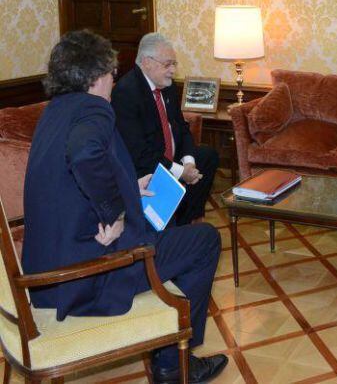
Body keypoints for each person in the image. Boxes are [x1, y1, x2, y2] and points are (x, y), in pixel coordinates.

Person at [22, 30, 227, 383]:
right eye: (112, 74)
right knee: (204, 240)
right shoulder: (94, 110)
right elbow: (85, 155)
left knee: (164, 231)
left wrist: (129, 187)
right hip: (87, 274)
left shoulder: (55, 112)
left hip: (46, 271)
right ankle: (173, 365)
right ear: (98, 76)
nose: (113, 82)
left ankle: (165, 340)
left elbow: (70, 176)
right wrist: (115, 212)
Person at [111, 32, 218, 225]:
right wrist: (180, 172)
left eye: (174, 64)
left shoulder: (167, 86)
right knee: (172, 173)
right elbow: (140, 153)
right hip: (145, 167)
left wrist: (189, 163)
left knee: (208, 156)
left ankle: (187, 219)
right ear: (146, 62)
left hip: (170, 158)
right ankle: (174, 224)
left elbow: (182, 128)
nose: (173, 70)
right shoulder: (126, 92)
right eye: (167, 64)